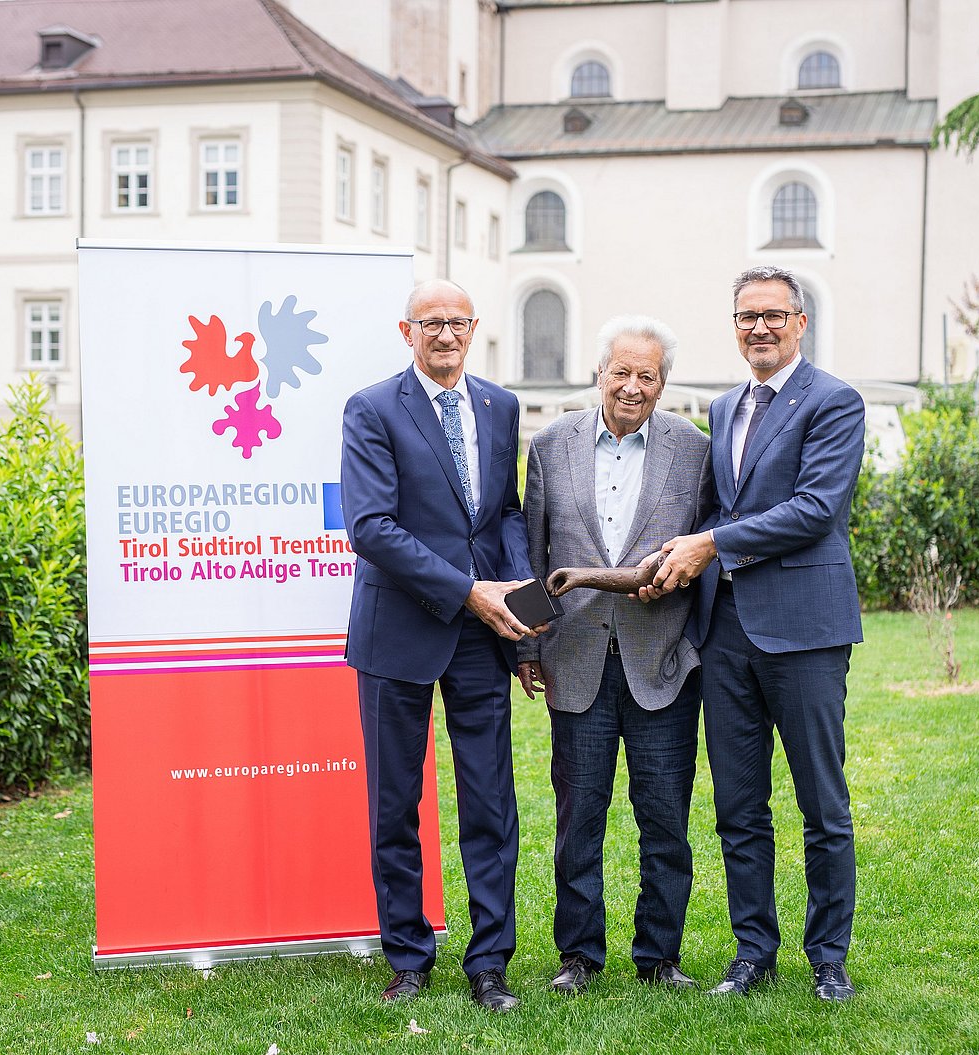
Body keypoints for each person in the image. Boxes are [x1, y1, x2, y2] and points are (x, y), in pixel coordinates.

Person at [649, 266, 866, 1003]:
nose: (760, 328)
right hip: (727, 631)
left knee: (822, 806)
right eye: (747, 316)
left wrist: (710, 544)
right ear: (735, 325)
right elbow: (722, 504)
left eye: (774, 315)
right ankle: (753, 954)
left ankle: (828, 957)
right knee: (738, 808)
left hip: (805, 630)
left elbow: (815, 509)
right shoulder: (724, 406)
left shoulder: (833, 401)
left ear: (800, 322)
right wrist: (669, 559)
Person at [341, 279, 537, 1013]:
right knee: (395, 805)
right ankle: (408, 957)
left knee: (490, 801)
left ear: (474, 328)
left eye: (457, 322)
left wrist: (522, 607)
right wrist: (467, 590)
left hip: (482, 635)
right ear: (407, 332)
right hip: (398, 630)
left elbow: (505, 515)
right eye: (431, 324)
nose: (446, 335)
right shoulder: (372, 408)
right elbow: (372, 527)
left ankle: (490, 963)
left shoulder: (499, 405)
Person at [516, 315, 712, 995]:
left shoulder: (694, 450)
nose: (632, 386)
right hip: (575, 661)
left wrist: (695, 638)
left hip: (663, 664)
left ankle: (660, 956)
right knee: (579, 820)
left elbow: (708, 553)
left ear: (663, 383)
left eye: (647, 376)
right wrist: (527, 644)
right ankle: (578, 956)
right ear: (598, 373)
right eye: (621, 372)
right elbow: (532, 554)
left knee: (666, 820)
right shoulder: (550, 446)